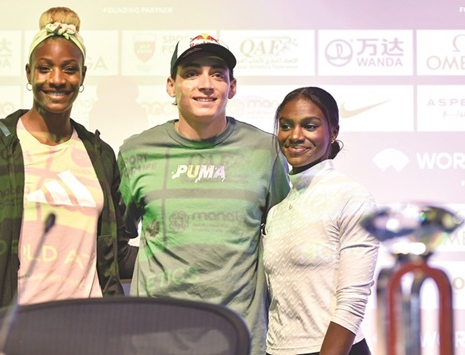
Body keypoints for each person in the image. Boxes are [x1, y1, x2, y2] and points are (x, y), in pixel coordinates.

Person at [0, 7, 136, 336]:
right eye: (44, 68)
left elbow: (117, 254)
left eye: (69, 69)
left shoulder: (100, 155)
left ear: (82, 76)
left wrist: (187, 251)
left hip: (95, 332)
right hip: (20, 332)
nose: (56, 79)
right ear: (28, 73)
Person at [117, 33, 290, 355]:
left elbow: (283, 237)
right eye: (192, 72)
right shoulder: (136, 152)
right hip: (153, 338)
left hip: (239, 337)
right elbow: (115, 237)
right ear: (172, 85)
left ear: (232, 87)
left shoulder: (264, 151)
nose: (206, 83)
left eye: (218, 74)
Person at [264, 87, 380, 355]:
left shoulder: (352, 196)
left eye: (310, 126)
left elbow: (352, 302)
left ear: (333, 132)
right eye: (286, 126)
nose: (295, 135)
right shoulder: (276, 212)